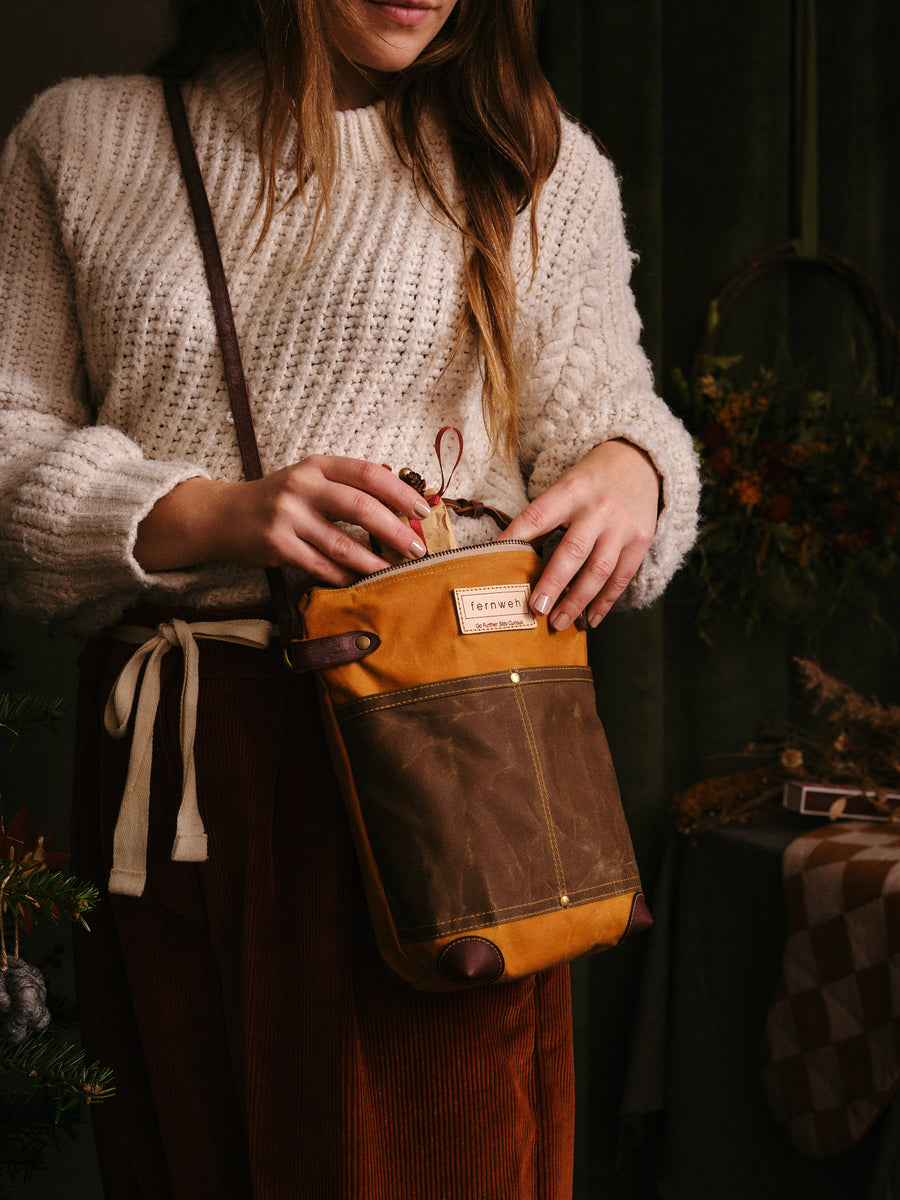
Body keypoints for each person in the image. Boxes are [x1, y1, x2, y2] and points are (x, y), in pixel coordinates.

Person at [0, 1, 700, 1196]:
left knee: (445, 1156)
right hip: (184, 771)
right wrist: (216, 512)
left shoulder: (536, 162)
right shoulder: (82, 141)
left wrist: (637, 470)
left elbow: (611, 418)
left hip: (443, 758)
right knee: (191, 1155)